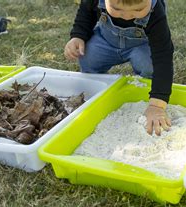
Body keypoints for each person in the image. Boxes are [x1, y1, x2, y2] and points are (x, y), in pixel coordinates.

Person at [64, 0, 174, 136]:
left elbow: (163, 55)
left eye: (138, 10)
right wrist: (78, 36)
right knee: (88, 56)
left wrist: (157, 106)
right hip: (105, 42)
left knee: (150, 65)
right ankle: (95, 88)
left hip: (140, 47)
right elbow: (86, 14)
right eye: (116, 9)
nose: (127, 16)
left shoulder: (156, 10)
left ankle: (145, 86)